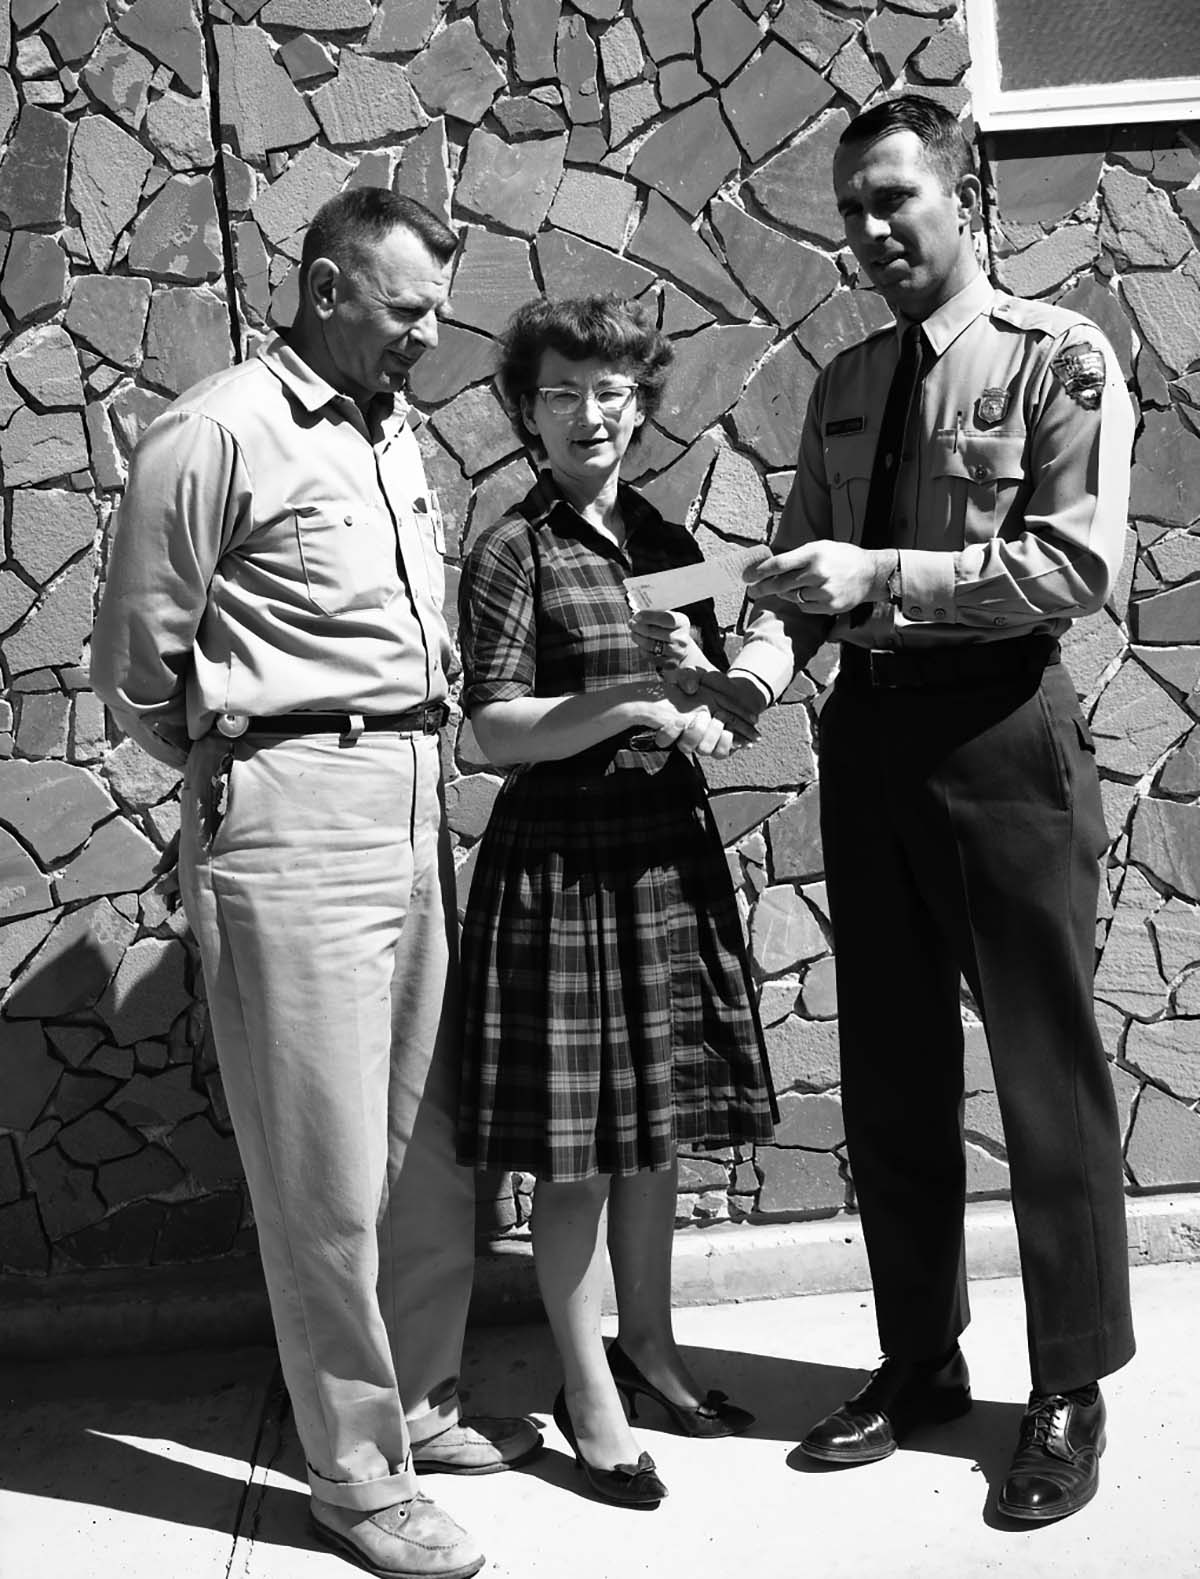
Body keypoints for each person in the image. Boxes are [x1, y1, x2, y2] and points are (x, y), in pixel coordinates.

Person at [694, 94, 1136, 1523]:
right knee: (890, 1072)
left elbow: (1075, 567)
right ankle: (918, 1358)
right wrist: (751, 680)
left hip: (1000, 729)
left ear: (966, 193)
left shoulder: (1058, 358)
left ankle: (1069, 1382)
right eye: (852, 209)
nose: (872, 228)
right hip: (871, 738)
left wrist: (879, 575)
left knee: (1045, 1076)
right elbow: (792, 575)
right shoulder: (845, 380)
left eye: (895, 197)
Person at [90, 187, 542, 1579]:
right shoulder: (217, 431)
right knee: (325, 1170)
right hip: (290, 808)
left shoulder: (392, 431)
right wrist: (254, 763)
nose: (429, 334)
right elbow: (136, 668)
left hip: (410, 804)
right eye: (407, 307)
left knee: (424, 1140)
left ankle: (414, 1403)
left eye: (438, 310)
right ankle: (354, 1476)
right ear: (327, 287)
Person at [456, 295, 777, 1507]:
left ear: (640, 403)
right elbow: (492, 730)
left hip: (664, 851)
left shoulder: (669, 539)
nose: (588, 413)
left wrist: (708, 694)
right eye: (560, 392)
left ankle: (651, 1347)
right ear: (525, 410)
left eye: (610, 390)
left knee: (655, 1134)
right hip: (564, 864)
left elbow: (714, 706)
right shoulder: (512, 549)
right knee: (581, 1154)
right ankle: (586, 1385)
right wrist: (631, 705)